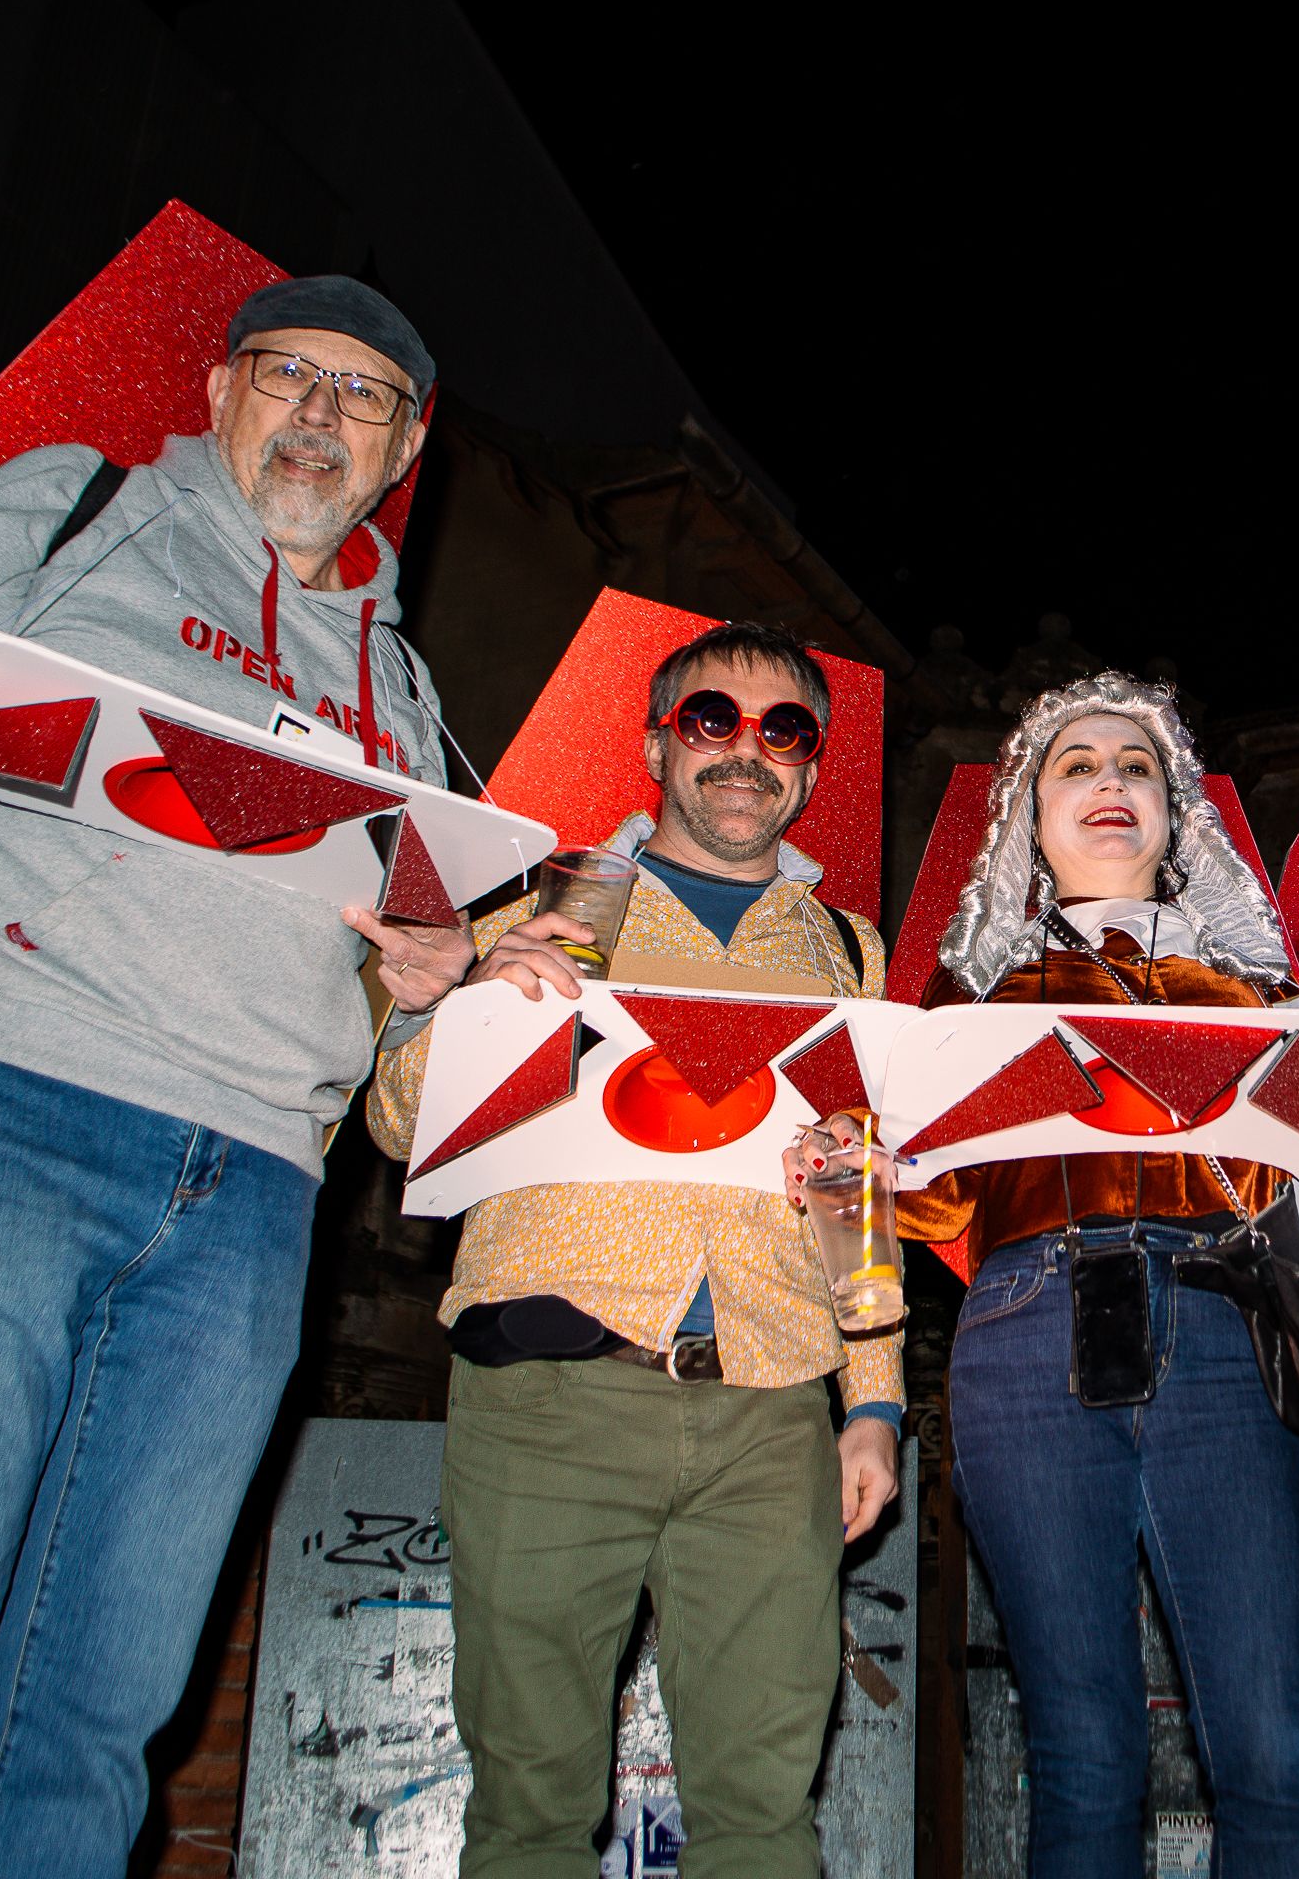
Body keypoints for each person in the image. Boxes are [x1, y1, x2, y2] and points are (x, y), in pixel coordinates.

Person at [0, 278, 470, 1878]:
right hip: (5, 1101)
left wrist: (429, 983)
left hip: (261, 1190)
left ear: (404, 451)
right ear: (217, 391)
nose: (322, 418)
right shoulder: (71, 511)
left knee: (97, 1718)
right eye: (290, 378)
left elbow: (399, 993)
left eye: (365, 399)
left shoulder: (405, 695)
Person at [358, 621, 903, 1877]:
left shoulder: (853, 952)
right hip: (549, 1394)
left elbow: (859, 1188)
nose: (746, 751)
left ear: (812, 769)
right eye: (712, 717)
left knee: (767, 1823)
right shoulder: (535, 896)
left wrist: (872, 1400)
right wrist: (463, 994)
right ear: (660, 738)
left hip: (771, 1409)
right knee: (531, 1815)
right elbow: (397, 1120)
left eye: (785, 730)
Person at [892, 673, 1299, 1879]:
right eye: (1075, 764)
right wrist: (874, 1156)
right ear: (1029, 817)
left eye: (1137, 765)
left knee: (1271, 1754)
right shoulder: (973, 995)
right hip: (1025, 1339)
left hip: (1225, 1332)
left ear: (1179, 816)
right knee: (1081, 1749)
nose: (1110, 784)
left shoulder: (1260, 999)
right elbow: (927, 1208)